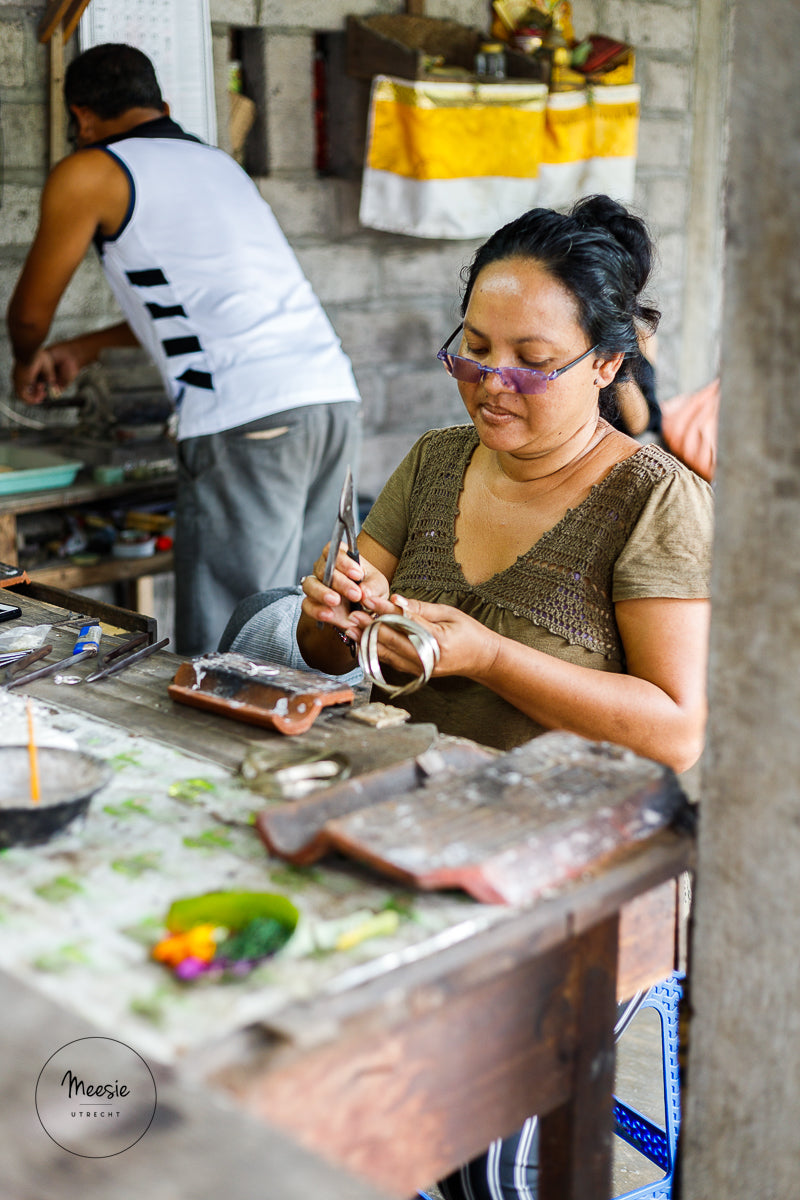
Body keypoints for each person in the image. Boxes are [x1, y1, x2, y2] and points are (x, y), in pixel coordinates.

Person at [296, 194, 713, 1197]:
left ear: (607, 364)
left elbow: (675, 728)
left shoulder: (652, 500)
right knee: (349, 1104)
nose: (491, 382)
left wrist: (489, 657)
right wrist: (335, 613)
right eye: (471, 350)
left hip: (574, 876)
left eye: (530, 359)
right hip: (421, 837)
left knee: (494, 1159)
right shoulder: (437, 462)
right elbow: (335, 650)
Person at [6, 42, 361, 656]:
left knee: (236, 634)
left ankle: (222, 750)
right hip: (330, 402)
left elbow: (30, 312)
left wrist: (26, 358)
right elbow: (211, 303)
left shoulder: (91, 169)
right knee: (309, 623)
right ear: (162, 107)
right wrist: (88, 345)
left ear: (81, 116)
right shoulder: (216, 163)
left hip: (247, 420)